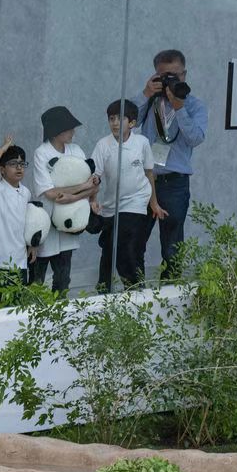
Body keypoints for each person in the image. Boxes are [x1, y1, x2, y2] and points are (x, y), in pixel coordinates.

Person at [132, 49, 207, 278]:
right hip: (145, 180)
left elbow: (196, 138)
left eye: (176, 75)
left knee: (172, 247)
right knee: (134, 242)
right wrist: (146, 94)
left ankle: (170, 290)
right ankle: (134, 290)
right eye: (166, 76)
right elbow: (127, 121)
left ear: (185, 74)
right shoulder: (150, 99)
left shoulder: (194, 106)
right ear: (156, 75)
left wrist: (179, 108)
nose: (172, 80)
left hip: (175, 183)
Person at [92, 99, 166, 292]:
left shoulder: (141, 143)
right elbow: (95, 177)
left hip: (136, 202)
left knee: (127, 245)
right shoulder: (103, 145)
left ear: (132, 123)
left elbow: (149, 173)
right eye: (111, 119)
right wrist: (92, 200)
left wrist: (154, 203)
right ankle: (103, 291)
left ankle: (135, 289)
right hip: (110, 206)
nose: (115, 123)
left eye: (120, 119)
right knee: (109, 249)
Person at [30, 106, 99, 293]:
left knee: (63, 279)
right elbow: (50, 193)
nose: (72, 132)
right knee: (37, 278)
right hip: (47, 222)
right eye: (68, 128)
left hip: (71, 221)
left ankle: (60, 307)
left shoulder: (76, 150)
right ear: (55, 131)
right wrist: (82, 188)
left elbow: (93, 185)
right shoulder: (42, 153)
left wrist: (72, 197)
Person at [0, 135, 33, 308]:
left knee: (15, 308)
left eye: (22, 164)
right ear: (2, 169)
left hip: (19, 261)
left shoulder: (26, 193)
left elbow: (29, 223)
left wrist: (32, 245)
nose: (19, 167)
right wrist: (3, 148)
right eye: (13, 163)